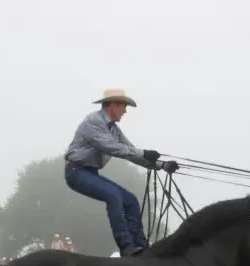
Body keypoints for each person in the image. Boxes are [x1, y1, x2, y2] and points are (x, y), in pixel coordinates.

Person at [64, 89, 179, 257]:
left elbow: (130, 152)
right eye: (123, 106)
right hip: (76, 172)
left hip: (90, 173)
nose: (125, 111)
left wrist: (161, 165)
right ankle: (126, 247)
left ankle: (140, 246)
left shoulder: (114, 129)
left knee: (131, 200)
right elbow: (111, 147)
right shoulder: (93, 122)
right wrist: (144, 153)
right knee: (113, 196)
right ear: (113, 105)